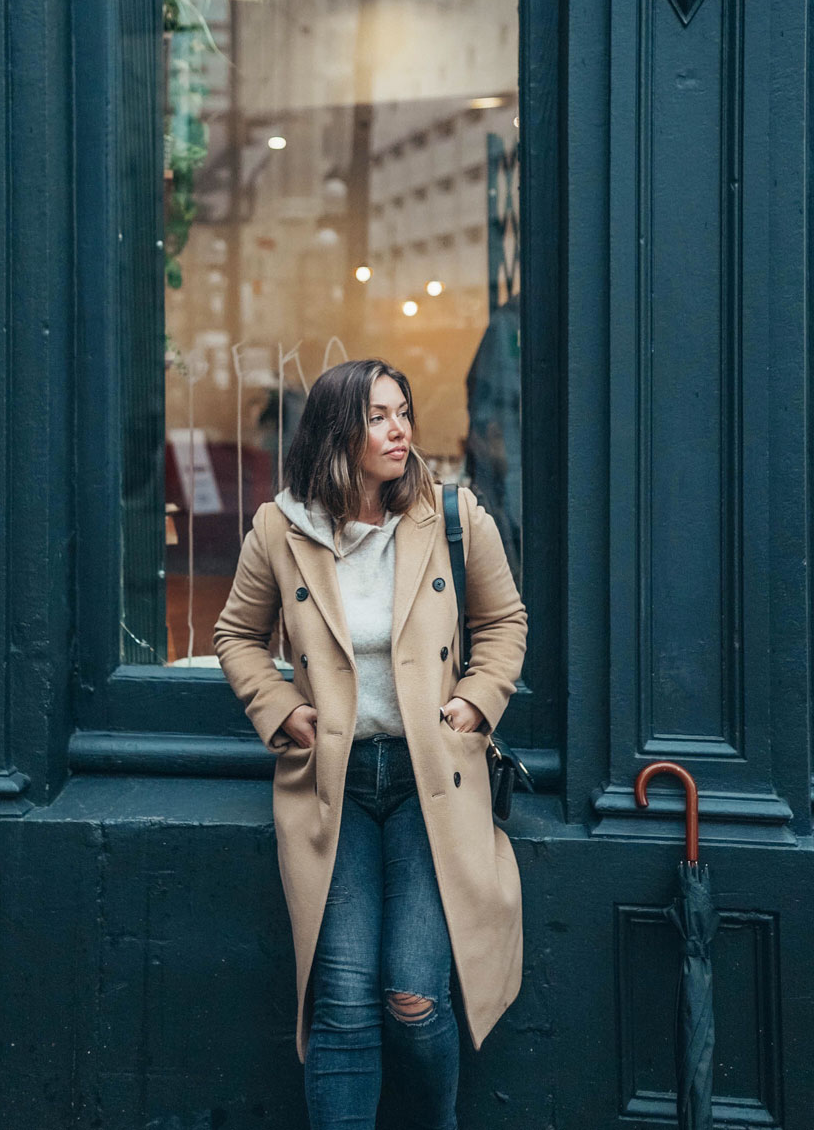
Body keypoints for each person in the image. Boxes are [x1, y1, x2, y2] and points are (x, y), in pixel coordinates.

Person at [213, 358, 529, 1130]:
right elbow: (236, 636)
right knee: (346, 1003)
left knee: (414, 995)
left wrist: (473, 705)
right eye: (378, 416)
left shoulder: (454, 517)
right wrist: (282, 709)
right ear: (336, 431)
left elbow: (505, 623)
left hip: (433, 785)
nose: (400, 430)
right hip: (336, 786)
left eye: (404, 412)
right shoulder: (279, 530)